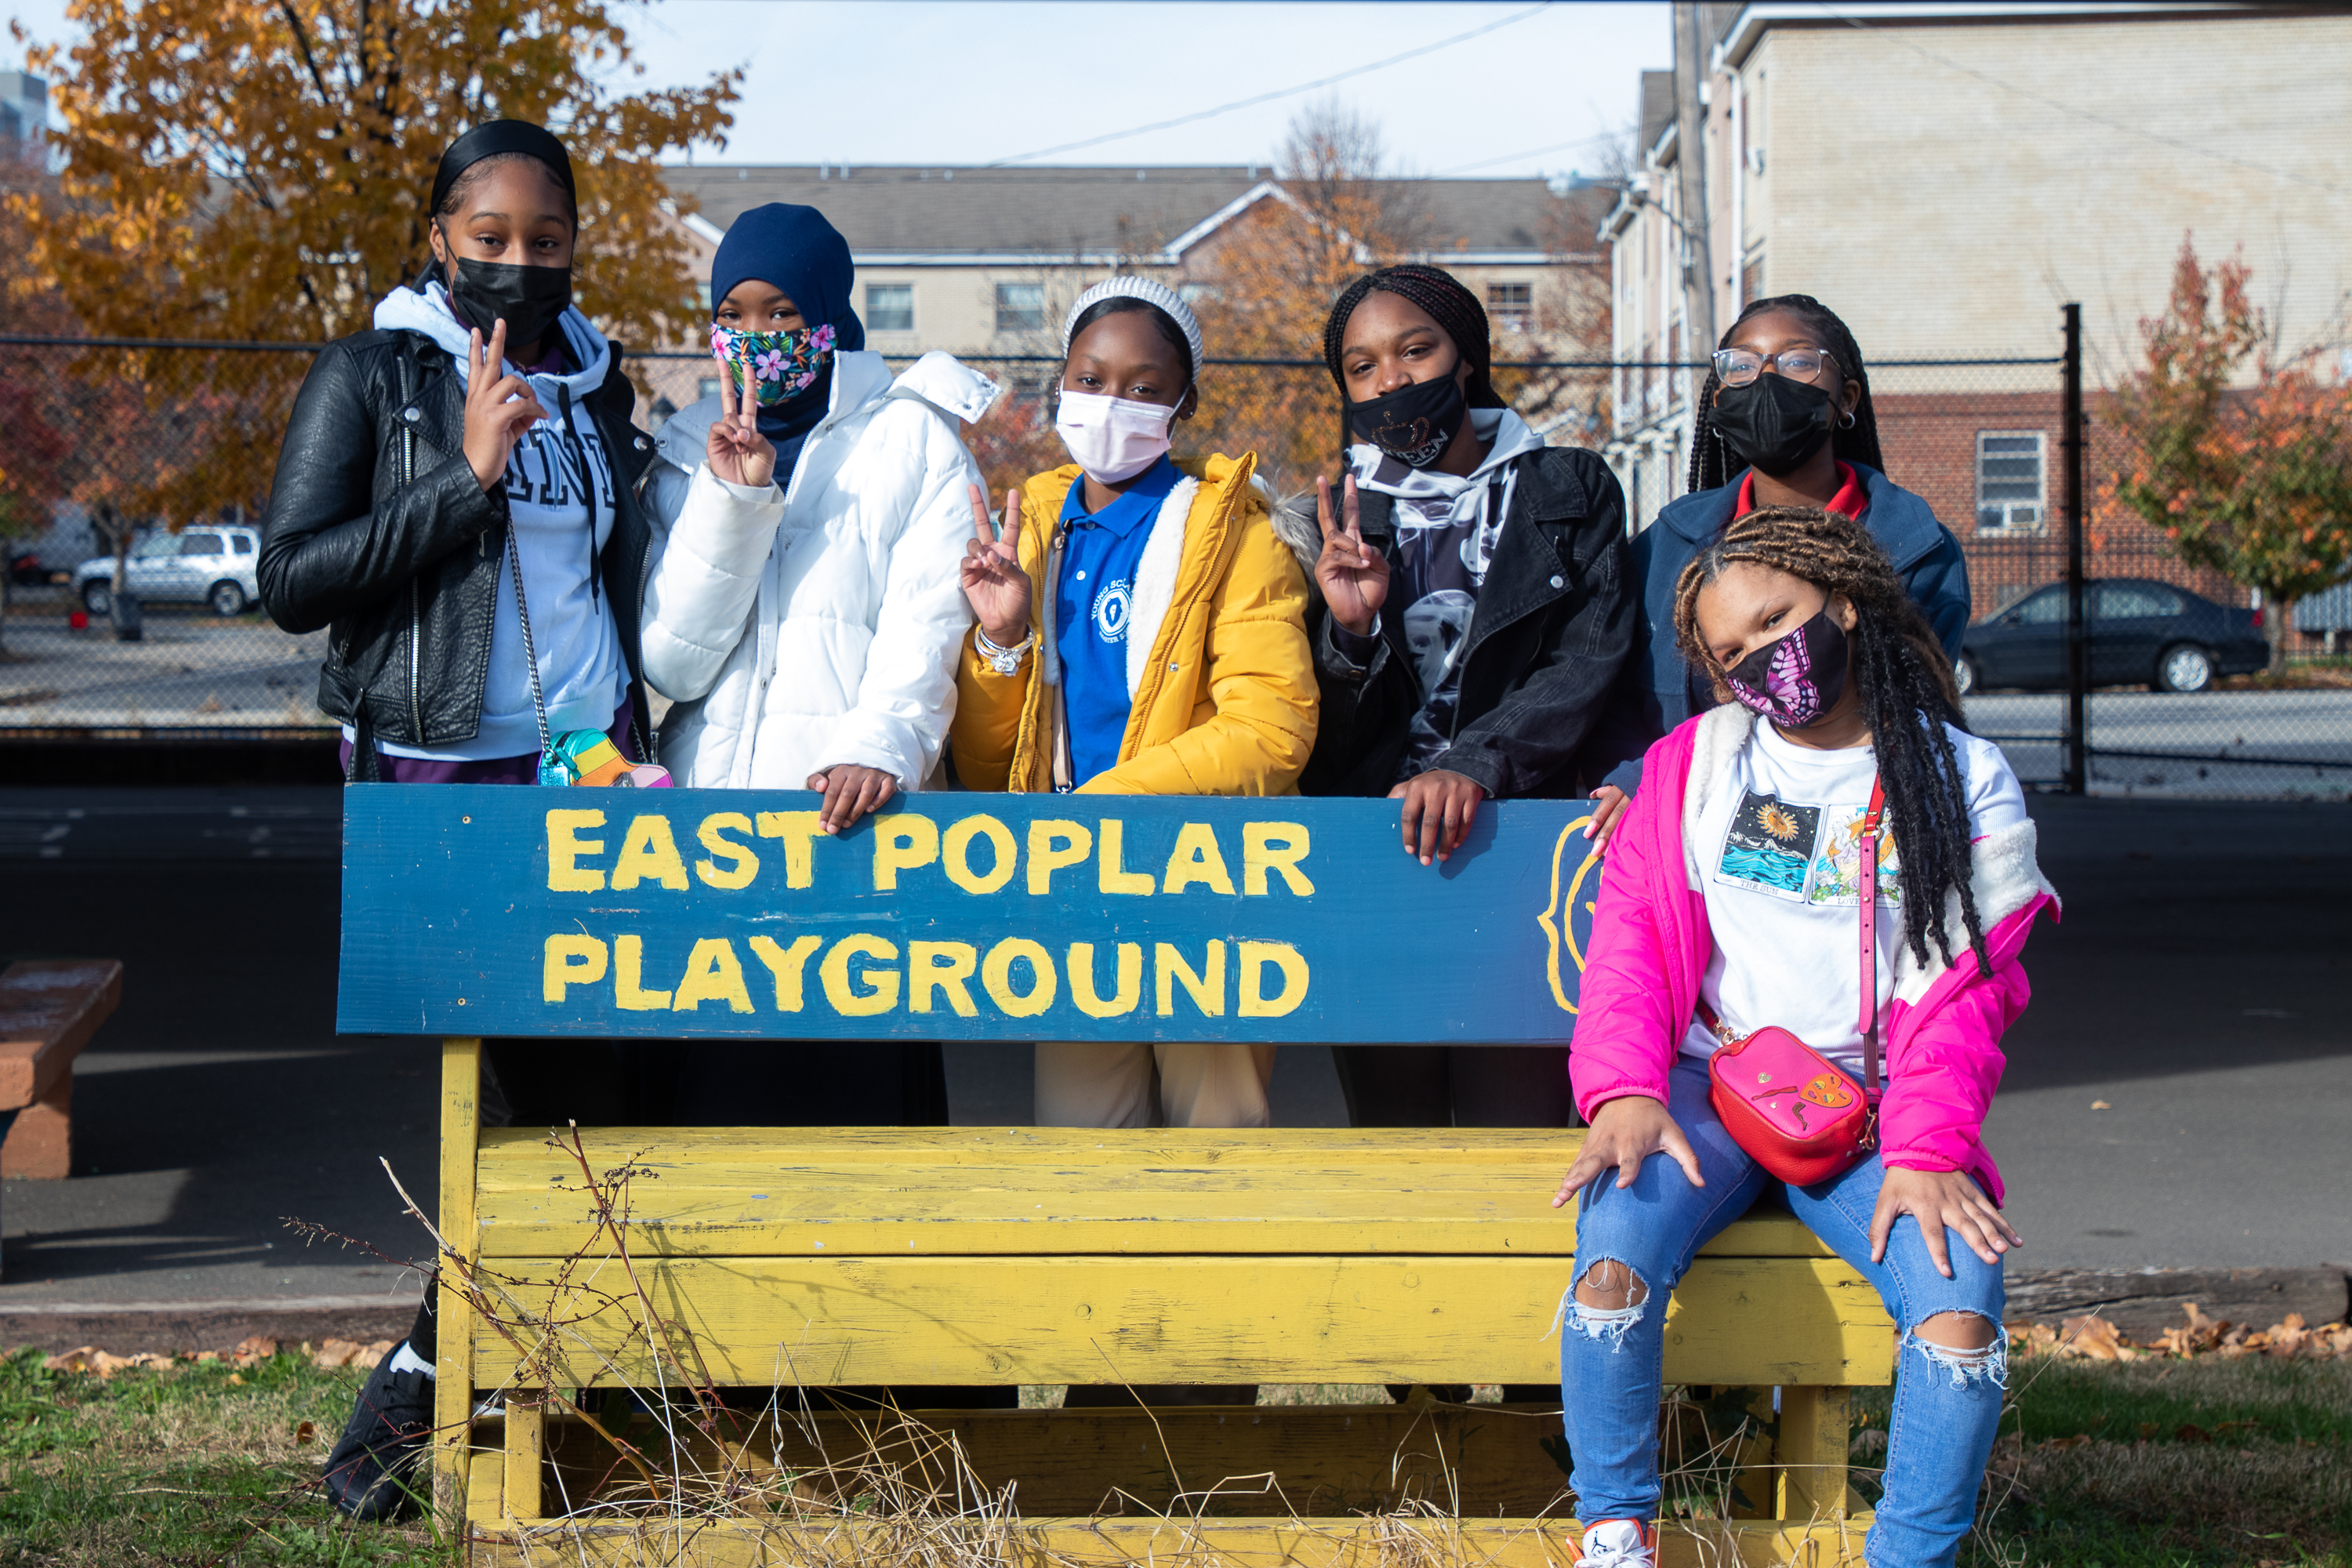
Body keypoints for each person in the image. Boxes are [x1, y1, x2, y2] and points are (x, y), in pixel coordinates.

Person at [259, 120, 659, 1522]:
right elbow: (294, 578)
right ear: (440, 237)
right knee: (502, 1109)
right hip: (441, 774)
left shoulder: (601, 390)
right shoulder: (374, 372)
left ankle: (528, 1417)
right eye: (488, 238)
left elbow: (609, 585)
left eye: (545, 241)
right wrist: (466, 472)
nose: (516, 263)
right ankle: (402, 1423)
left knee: (588, 1109)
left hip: (590, 775)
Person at [1552, 503, 2054, 1568]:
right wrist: (1626, 1091)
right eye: (1731, 653)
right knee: (1610, 1266)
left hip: (1876, 1113)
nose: (1760, 663)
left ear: (1846, 600)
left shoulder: (1963, 779)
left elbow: (1965, 996)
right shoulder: (1693, 768)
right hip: (1707, 1080)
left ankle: (1910, 1554)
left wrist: (1925, 1151)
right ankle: (1614, 1532)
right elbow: (1634, 939)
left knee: (1960, 1306)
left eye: (1776, 624)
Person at [634, 201, 997, 1129]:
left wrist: (879, 748)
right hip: (715, 834)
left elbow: (927, 627)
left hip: (852, 824)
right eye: (736, 313)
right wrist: (733, 499)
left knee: (849, 1105)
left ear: (831, 314)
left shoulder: (912, 442)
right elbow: (673, 662)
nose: (757, 336)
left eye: (784, 313)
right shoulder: (685, 453)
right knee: (720, 1112)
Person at [950, 276, 1316, 1134]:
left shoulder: (1235, 532)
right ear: (1061, 383)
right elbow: (986, 766)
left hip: (1210, 889)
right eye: (1091, 376)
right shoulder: (1030, 528)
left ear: (1183, 403)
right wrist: (1001, 640)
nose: (1111, 402)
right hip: (1075, 894)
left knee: (1219, 1149)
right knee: (1080, 1158)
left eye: (1143, 388)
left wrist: (1111, 802)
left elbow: (1272, 730)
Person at [1301, 263, 1632, 1133]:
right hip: (1375, 858)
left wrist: (1472, 764)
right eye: (1362, 367)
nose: (1391, 381)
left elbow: (1586, 664)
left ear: (1468, 356)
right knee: (1393, 1138)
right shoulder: (1335, 513)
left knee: (1514, 1132)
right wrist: (1352, 632)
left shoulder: (1568, 486)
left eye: (1416, 350)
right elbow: (1320, 737)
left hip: (1517, 847)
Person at [1581, 294, 1971, 848]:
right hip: (1673, 832)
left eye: (1796, 362)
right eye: (1741, 365)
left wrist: (1678, 774)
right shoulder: (1669, 546)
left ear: (1846, 397)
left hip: (1840, 839)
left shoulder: (1916, 550)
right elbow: (1618, 700)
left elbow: (1888, 713)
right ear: (1718, 399)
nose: (1766, 379)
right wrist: (1637, 779)